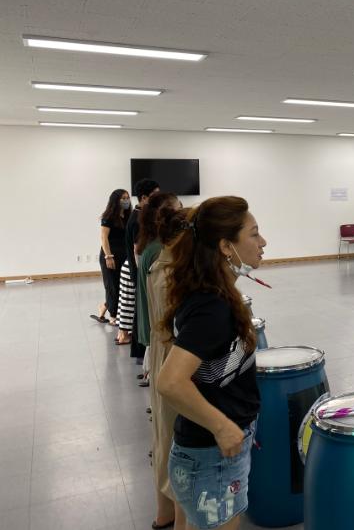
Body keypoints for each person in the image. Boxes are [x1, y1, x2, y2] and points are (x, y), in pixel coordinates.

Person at [157, 196, 266, 530]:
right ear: (226, 246)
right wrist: (222, 426)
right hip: (212, 457)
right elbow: (169, 382)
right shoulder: (212, 308)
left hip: (200, 453)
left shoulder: (209, 294)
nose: (263, 242)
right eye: (254, 234)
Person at [144, 197, 186, 530]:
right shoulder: (171, 276)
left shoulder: (159, 265)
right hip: (173, 361)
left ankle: (165, 513)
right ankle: (174, 511)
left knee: (163, 435)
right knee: (174, 439)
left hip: (163, 356)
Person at [137, 192, 182, 387]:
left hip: (154, 325)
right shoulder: (158, 251)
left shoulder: (153, 245)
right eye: (180, 208)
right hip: (158, 327)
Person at [116, 178, 160, 346]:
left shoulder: (140, 215)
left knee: (133, 306)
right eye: (155, 195)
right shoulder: (137, 219)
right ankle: (135, 342)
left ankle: (130, 338)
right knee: (135, 308)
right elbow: (137, 251)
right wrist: (143, 275)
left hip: (134, 268)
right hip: (134, 268)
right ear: (144, 198)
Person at [91, 189, 131, 324]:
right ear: (116, 200)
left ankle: (104, 307)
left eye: (127, 198)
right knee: (112, 286)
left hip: (124, 255)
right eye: (123, 198)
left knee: (121, 286)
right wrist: (108, 256)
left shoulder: (128, 216)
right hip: (110, 255)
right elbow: (104, 238)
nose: (126, 201)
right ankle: (113, 316)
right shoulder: (108, 217)